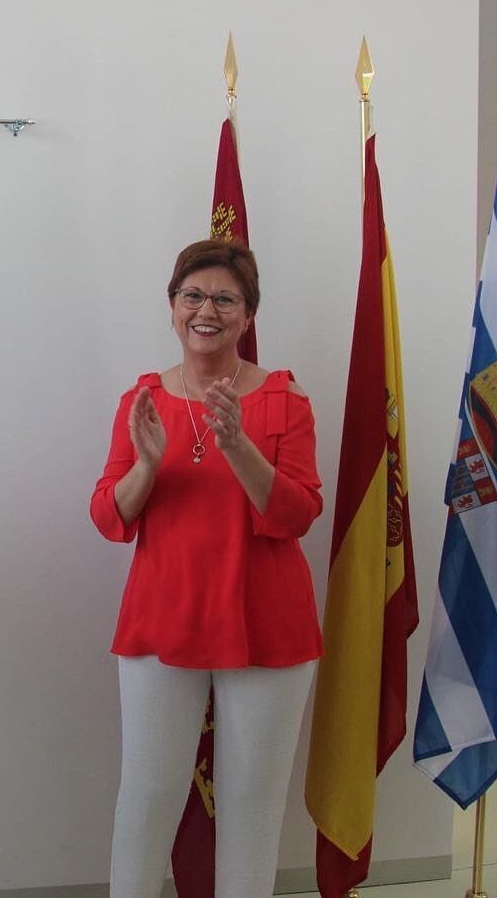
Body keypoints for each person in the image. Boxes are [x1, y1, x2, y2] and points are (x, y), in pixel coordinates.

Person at [89, 238, 323, 897]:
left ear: (248, 316)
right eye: (193, 295)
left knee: (252, 807)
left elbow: (297, 513)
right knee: (147, 797)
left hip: (266, 627)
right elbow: (110, 518)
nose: (206, 310)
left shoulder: (284, 400)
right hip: (161, 622)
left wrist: (239, 446)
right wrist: (148, 464)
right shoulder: (143, 402)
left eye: (225, 298)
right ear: (171, 307)